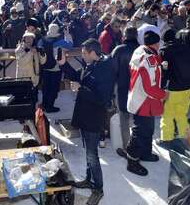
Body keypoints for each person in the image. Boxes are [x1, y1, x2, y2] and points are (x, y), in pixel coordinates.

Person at [58, 39, 113, 205]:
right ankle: (89, 180)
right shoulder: (92, 64)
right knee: (88, 151)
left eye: (83, 53)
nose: (81, 55)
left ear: (92, 52)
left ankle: (98, 188)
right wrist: (63, 65)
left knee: (92, 154)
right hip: (84, 114)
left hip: (93, 117)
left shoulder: (105, 69)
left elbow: (102, 99)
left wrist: (81, 89)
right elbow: (79, 78)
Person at [126, 31, 168, 176]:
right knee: (140, 131)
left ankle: (145, 153)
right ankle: (132, 161)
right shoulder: (148, 59)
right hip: (143, 101)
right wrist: (163, 94)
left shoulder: (139, 50)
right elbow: (149, 87)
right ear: (155, 44)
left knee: (148, 129)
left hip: (140, 98)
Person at [159, 30, 190, 146]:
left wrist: (161, 87)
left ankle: (166, 139)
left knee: (167, 115)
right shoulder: (187, 48)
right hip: (187, 86)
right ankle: (184, 136)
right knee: (181, 114)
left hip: (172, 88)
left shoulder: (165, 51)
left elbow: (164, 72)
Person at [110, 27, 139, 158]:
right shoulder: (142, 49)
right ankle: (139, 146)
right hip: (139, 89)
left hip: (123, 88)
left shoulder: (119, 50)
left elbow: (112, 71)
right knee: (139, 119)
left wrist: (110, 90)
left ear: (124, 35)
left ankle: (127, 148)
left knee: (124, 119)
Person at [38, 23, 73, 113]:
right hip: (56, 68)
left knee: (45, 87)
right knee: (53, 88)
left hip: (45, 67)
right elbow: (70, 45)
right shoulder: (60, 42)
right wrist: (67, 34)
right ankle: (50, 107)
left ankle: (44, 104)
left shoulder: (42, 40)